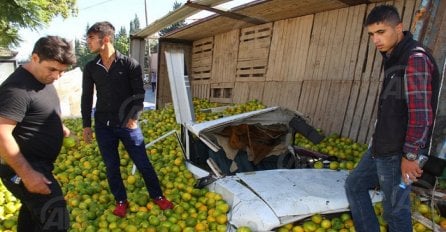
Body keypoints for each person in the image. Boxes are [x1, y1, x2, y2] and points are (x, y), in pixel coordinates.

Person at [345, 5, 439, 232]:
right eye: (371, 35)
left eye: (381, 32)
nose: (376, 39)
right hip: (381, 147)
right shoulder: (393, 57)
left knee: (395, 210)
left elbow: (421, 115)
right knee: (354, 185)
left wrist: (410, 155)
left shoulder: (415, 58)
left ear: (399, 28)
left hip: (398, 151)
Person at [81, 21, 173, 218]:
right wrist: (86, 125)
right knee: (111, 166)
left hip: (127, 125)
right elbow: (86, 96)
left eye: (90, 38)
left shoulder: (129, 64)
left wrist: (134, 118)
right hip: (103, 125)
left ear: (105, 39)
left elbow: (139, 93)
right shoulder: (90, 68)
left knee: (142, 162)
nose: (87, 42)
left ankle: (157, 196)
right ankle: (121, 201)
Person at [0, 36, 76, 231]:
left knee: (33, 218)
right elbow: (2, 134)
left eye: (61, 71)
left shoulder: (43, 78)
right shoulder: (16, 90)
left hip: (40, 165)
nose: (57, 76)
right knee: (56, 220)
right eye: (52, 69)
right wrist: (27, 174)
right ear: (35, 58)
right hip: (23, 169)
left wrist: (60, 129)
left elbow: (46, 110)